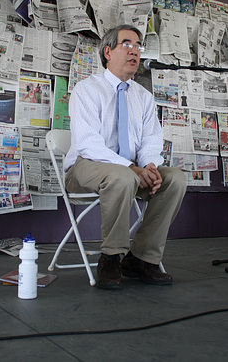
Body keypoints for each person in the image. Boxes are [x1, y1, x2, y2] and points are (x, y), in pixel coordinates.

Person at [64, 25, 187, 290]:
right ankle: (111, 256)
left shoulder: (143, 97)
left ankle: (141, 258)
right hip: (86, 168)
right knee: (121, 176)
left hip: (131, 171)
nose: (135, 51)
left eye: (138, 46)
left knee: (174, 179)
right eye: (127, 44)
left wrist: (151, 167)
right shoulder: (87, 89)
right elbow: (87, 144)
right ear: (107, 52)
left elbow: (151, 140)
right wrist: (131, 168)